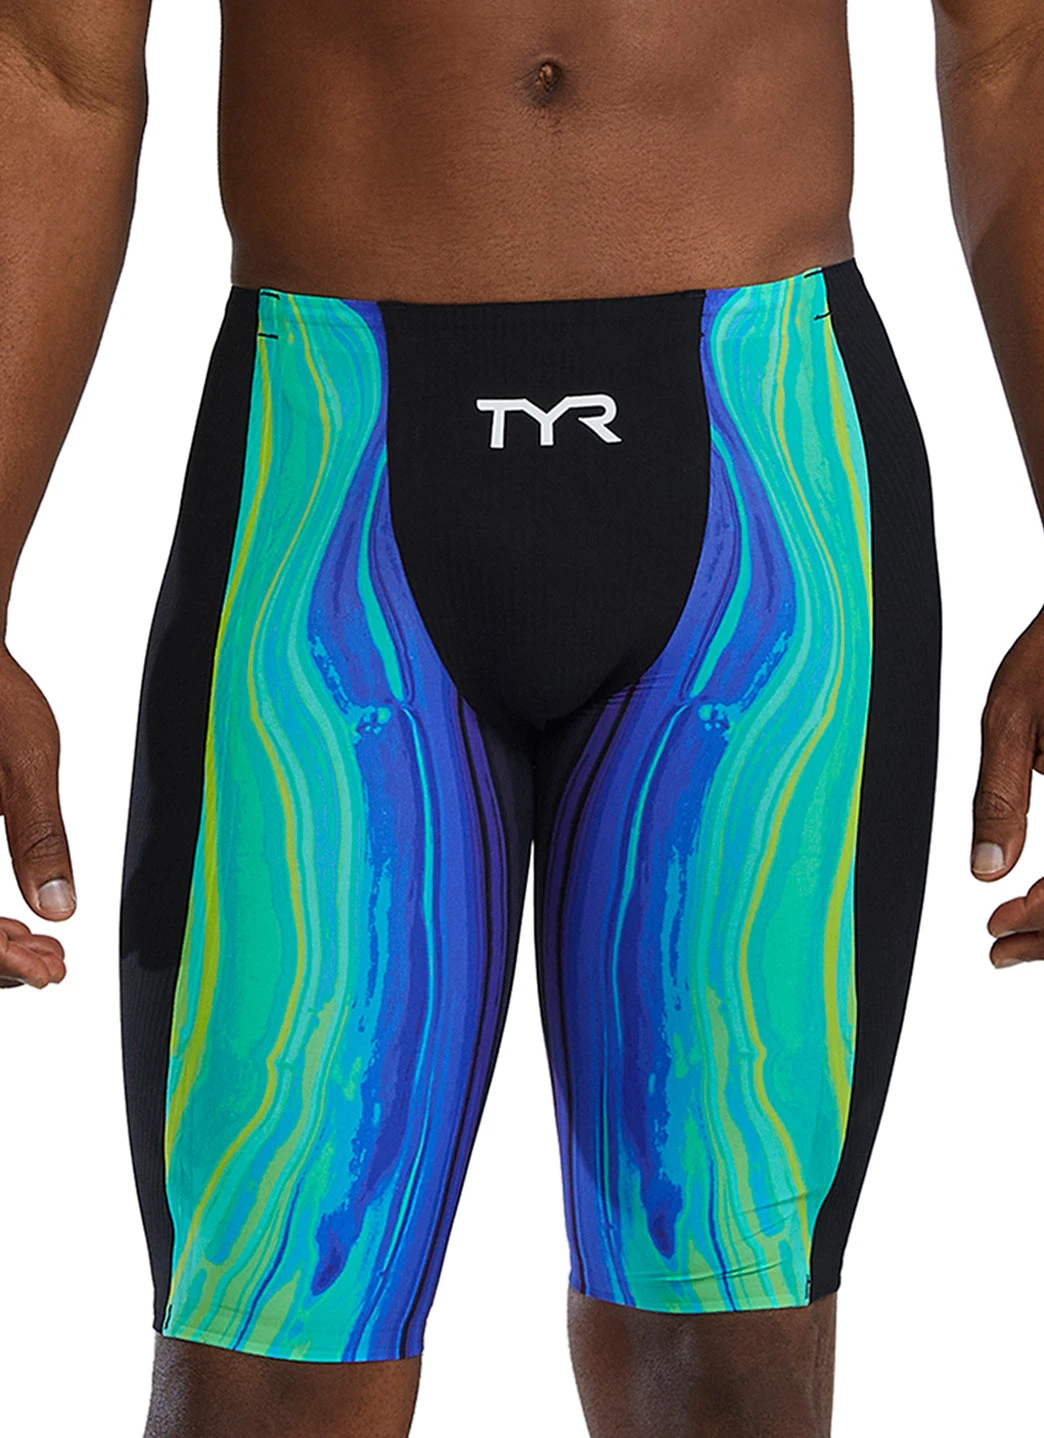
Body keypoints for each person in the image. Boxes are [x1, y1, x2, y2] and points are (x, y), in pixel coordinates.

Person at [1, 2, 1042, 1434]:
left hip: (762, 476)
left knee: (730, 1350)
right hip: (330, 483)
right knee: (261, 1355)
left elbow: (1014, 50)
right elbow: (51, 65)